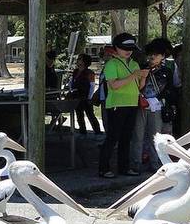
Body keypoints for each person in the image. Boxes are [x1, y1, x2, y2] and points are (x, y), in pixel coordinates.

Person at [98, 33, 147, 178]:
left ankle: (124, 168)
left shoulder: (134, 64)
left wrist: (143, 77)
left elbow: (139, 87)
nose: (128, 51)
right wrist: (134, 75)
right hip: (116, 105)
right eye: (124, 48)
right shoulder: (111, 64)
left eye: (131, 48)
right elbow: (114, 85)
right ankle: (103, 168)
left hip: (132, 104)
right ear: (116, 48)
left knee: (126, 138)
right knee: (113, 137)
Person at [133, 40, 171, 174]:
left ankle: (155, 164)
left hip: (157, 106)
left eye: (156, 54)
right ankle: (135, 164)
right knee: (138, 135)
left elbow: (169, 90)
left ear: (162, 56)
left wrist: (157, 100)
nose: (152, 57)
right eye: (151, 54)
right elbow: (137, 87)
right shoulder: (141, 68)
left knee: (156, 136)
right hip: (141, 105)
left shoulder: (167, 71)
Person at [168, 44, 190, 137]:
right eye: (181, 55)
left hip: (188, 102)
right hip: (176, 102)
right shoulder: (172, 67)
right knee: (176, 127)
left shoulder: (189, 68)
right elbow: (175, 84)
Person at [69, 53, 101, 135]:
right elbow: (72, 81)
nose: (78, 60)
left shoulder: (89, 72)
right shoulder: (75, 71)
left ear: (84, 61)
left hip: (86, 96)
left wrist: (89, 97)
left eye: (80, 59)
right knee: (79, 115)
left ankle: (97, 131)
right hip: (76, 96)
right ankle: (82, 131)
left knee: (90, 114)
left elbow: (92, 85)